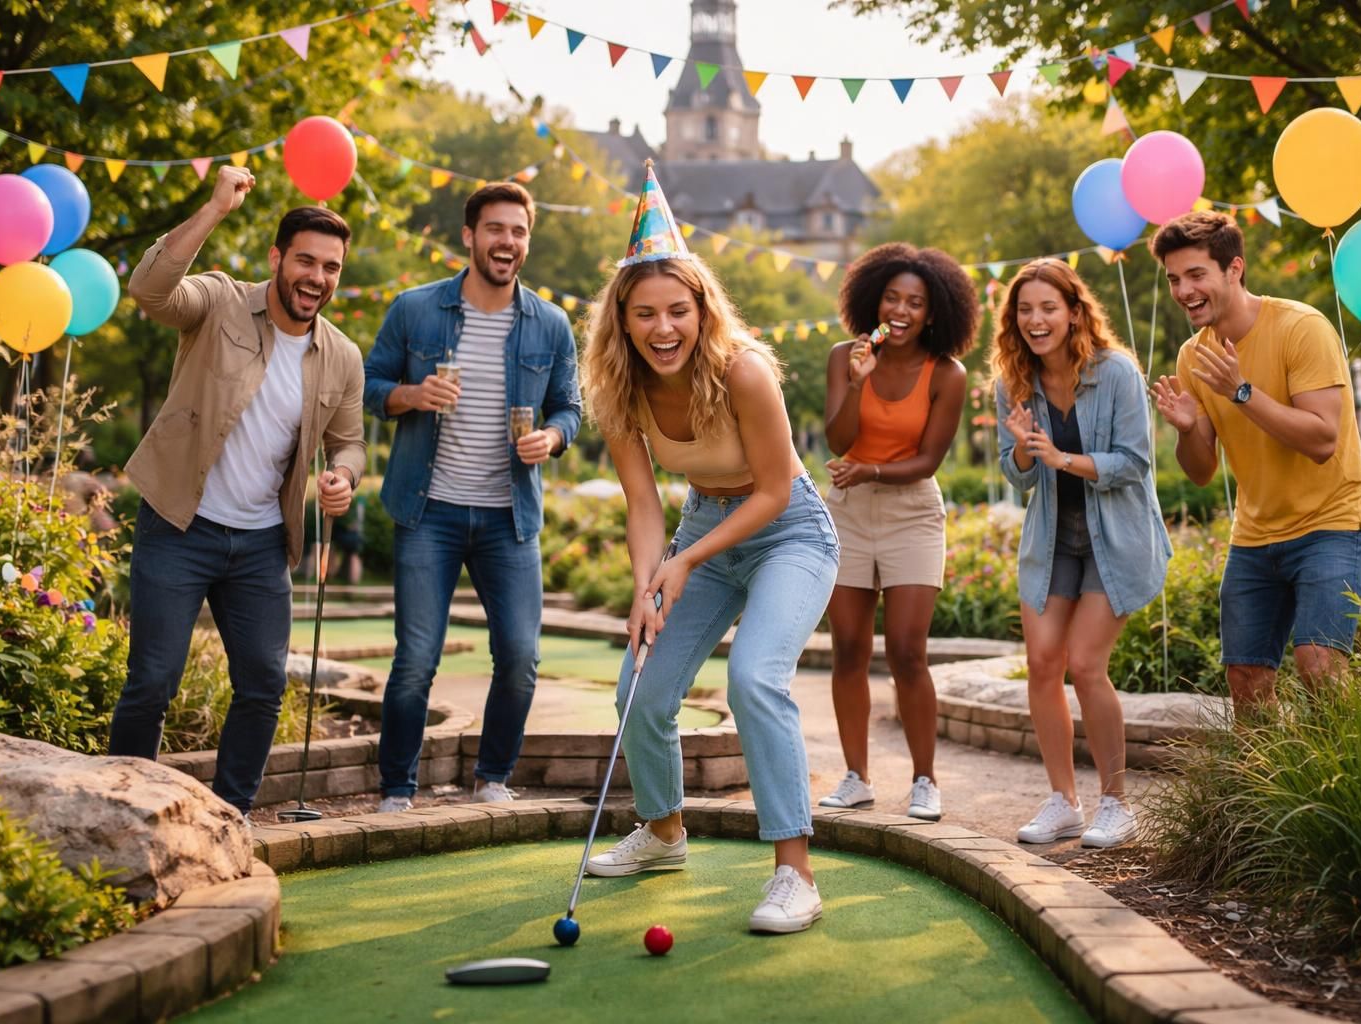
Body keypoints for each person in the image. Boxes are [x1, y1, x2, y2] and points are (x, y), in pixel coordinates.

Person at [578, 163, 839, 934]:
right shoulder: (619, 390)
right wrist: (645, 583)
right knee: (640, 688)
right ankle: (663, 833)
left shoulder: (746, 372)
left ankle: (795, 875)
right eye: (646, 314)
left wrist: (684, 562)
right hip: (702, 532)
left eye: (678, 311)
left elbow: (772, 491)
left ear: (702, 309)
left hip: (788, 531)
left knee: (756, 680)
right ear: (621, 320)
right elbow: (643, 502)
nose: (663, 329)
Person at [109, 166, 365, 817]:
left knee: (263, 684)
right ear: (278, 258)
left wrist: (345, 477)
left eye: (331, 267)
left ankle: (230, 816)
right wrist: (217, 206)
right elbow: (149, 289)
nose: (317, 278)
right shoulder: (221, 300)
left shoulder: (341, 356)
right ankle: (122, 811)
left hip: (259, 544)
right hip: (179, 525)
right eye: (306, 261)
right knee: (153, 682)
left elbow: (351, 442)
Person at [363, 182, 581, 813]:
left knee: (519, 656)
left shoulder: (550, 323)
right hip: (427, 510)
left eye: (517, 231)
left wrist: (552, 436)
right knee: (416, 659)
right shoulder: (415, 309)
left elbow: (570, 407)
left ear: (526, 241)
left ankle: (491, 778)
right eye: (494, 229)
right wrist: (411, 395)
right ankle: (398, 789)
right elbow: (373, 385)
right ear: (469, 236)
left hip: (509, 518)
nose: (506, 242)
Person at [1149, 212, 1361, 720]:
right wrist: (1188, 429)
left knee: (1319, 667)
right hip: (1255, 533)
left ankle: (1346, 787)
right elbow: (1202, 470)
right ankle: (1270, 795)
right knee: (1246, 681)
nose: (1184, 290)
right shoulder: (1194, 356)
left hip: (1331, 523)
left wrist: (1241, 392)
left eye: (1196, 275)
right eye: (1174, 279)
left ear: (1234, 270)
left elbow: (1321, 439)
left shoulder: (1301, 328)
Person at [992, 259, 1171, 848]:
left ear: (1074, 311)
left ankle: (1116, 803)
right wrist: (1022, 453)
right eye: (1025, 310)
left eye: (1048, 308)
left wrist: (1063, 459)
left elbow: (1136, 463)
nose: (1036, 320)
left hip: (1115, 539)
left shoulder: (1115, 372)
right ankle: (1063, 801)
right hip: (1054, 540)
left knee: (1087, 664)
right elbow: (1016, 476)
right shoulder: (1013, 381)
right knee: (1043, 665)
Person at [817, 243, 976, 821]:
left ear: (934, 313)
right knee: (849, 650)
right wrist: (858, 382)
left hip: (911, 511)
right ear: (874, 300)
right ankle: (856, 776)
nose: (902, 310)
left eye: (916, 302)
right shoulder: (844, 356)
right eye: (892, 298)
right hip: (849, 509)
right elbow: (838, 441)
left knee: (908, 651)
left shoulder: (947, 374)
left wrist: (874, 469)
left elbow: (929, 459)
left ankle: (924, 779)